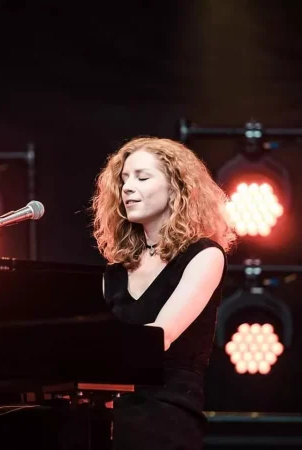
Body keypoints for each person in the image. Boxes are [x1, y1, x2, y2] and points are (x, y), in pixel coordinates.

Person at [91, 136, 236, 450]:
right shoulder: (115, 269)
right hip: (111, 407)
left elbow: (158, 338)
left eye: (142, 178)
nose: (127, 187)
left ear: (177, 188)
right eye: (124, 179)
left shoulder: (204, 255)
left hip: (165, 408)